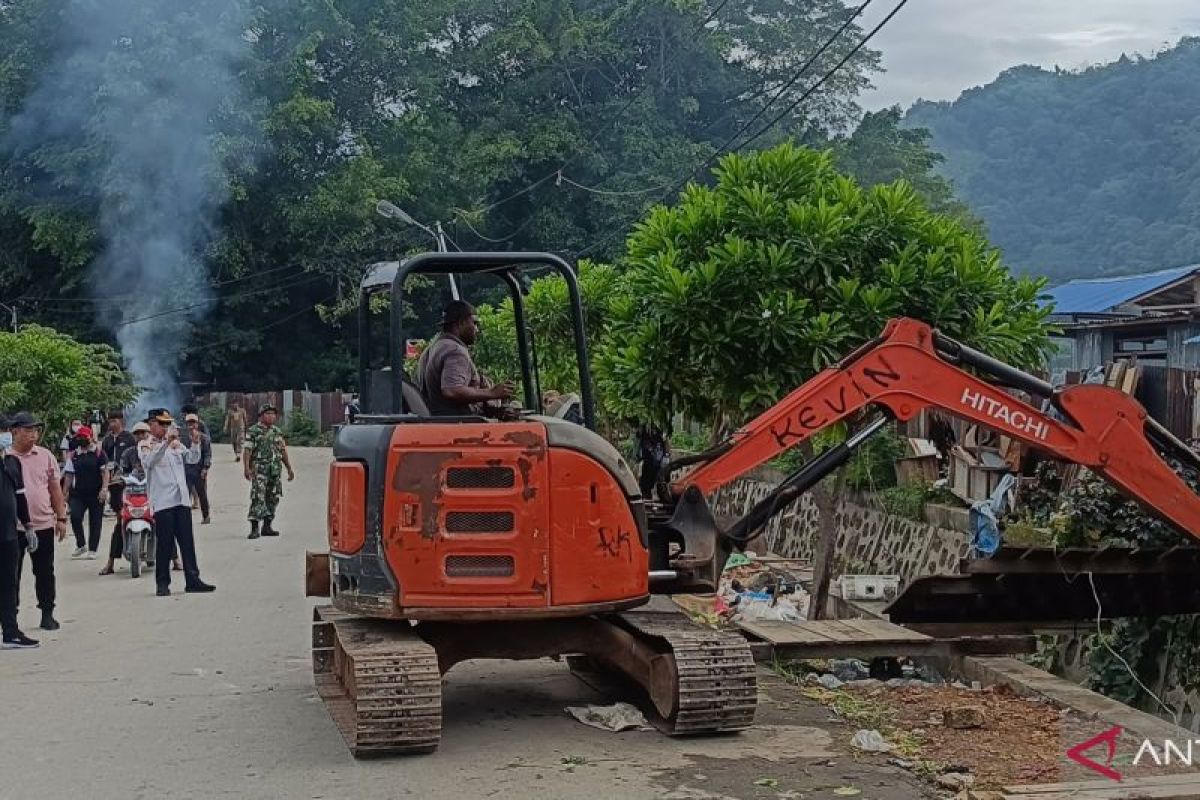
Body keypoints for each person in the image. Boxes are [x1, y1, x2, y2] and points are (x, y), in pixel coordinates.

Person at [139, 409, 215, 597]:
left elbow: (192, 459)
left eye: (167, 424)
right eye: (162, 424)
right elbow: (149, 462)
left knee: (187, 542)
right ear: (152, 424)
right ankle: (162, 583)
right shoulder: (145, 445)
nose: (166, 427)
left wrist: (196, 444)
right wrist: (165, 443)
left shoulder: (175, 444)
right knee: (165, 544)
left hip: (181, 500)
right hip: (163, 502)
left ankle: (193, 580)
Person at [8, 412, 67, 631]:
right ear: (15, 431)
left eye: (35, 430)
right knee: (10, 574)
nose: (33, 435)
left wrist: (61, 517)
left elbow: (55, 489)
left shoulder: (45, 456)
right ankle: (10, 617)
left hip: (43, 523)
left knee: (44, 571)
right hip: (13, 527)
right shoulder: (6, 457)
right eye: (28, 430)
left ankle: (47, 612)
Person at [414, 300, 513, 416]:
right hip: (458, 422)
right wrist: (492, 393)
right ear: (461, 323)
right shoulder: (455, 350)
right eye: (474, 323)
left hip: (439, 419)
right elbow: (452, 390)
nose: (477, 330)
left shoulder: (433, 348)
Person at [0, 417, 38, 648]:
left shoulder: (12, 462)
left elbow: (21, 497)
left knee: (9, 583)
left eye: (5, 430)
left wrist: (29, 525)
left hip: (8, 534)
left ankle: (11, 632)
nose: (4, 434)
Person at [99, 421, 151, 577]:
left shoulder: (156, 450)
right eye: (138, 433)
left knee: (164, 522)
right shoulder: (128, 453)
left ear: (149, 434)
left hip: (152, 493)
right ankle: (110, 563)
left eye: (144, 433)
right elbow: (121, 470)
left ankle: (175, 559)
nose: (141, 436)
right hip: (132, 493)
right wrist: (116, 480)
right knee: (119, 524)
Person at [243, 404, 295, 539]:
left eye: (273, 414)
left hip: (274, 470)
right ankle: (255, 528)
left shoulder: (277, 431)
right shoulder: (253, 431)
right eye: (268, 413)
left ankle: (267, 526)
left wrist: (289, 468)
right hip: (259, 469)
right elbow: (247, 450)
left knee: (273, 497)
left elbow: (282, 450)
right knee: (258, 497)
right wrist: (246, 468)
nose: (272, 416)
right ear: (261, 415)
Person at [63, 425, 108, 559]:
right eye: (79, 437)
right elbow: (69, 475)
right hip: (78, 494)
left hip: (96, 493)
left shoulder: (99, 453)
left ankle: (93, 549)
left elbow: (105, 472)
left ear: (90, 437)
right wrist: (64, 493)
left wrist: (104, 489)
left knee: (95, 521)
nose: (81, 439)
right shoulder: (74, 455)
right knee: (75, 517)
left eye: (83, 437)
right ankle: (81, 544)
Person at [182, 413, 212, 524]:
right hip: (186, 470)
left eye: (193, 423)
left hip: (199, 470)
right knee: (185, 495)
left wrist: (205, 467)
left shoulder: (204, 438)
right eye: (189, 423)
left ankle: (206, 515)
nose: (191, 425)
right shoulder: (182, 439)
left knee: (202, 494)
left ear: (197, 424)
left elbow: (207, 454)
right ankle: (184, 519)